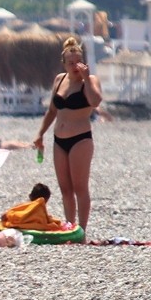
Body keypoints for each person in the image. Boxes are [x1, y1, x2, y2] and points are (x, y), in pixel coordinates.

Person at [32, 35, 102, 233]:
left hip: (80, 138)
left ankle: (82, 229)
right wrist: (40, 134)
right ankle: (70, 226)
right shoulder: (59, 80)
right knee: (65, 189)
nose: (74, 66)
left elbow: (95, 101)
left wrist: (86, 78)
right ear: (63, 63)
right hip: (58, 140)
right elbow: (52, 111)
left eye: (77, 62)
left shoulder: (90, 81)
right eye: (70, 62)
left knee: (80, 187)